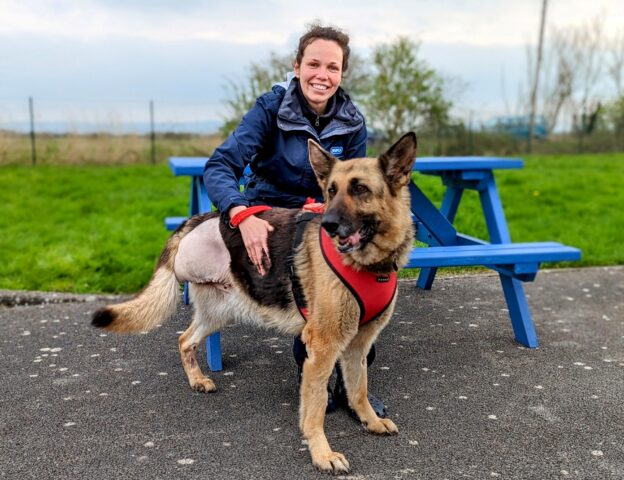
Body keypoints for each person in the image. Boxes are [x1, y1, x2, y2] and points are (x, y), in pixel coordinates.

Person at [203, 23, 386, 418]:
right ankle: (319, 375)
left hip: (321, 218)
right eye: (314, 64)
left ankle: (351, 393)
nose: (322, 75)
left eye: (332, 67)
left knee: (355, 302)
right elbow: (220, 166)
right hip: (270, 215)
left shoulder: (352, 121)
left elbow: (353, 186)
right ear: (297, 65)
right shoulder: (270, 108)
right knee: (315, 315)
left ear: (342, 73)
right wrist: (241, 213)